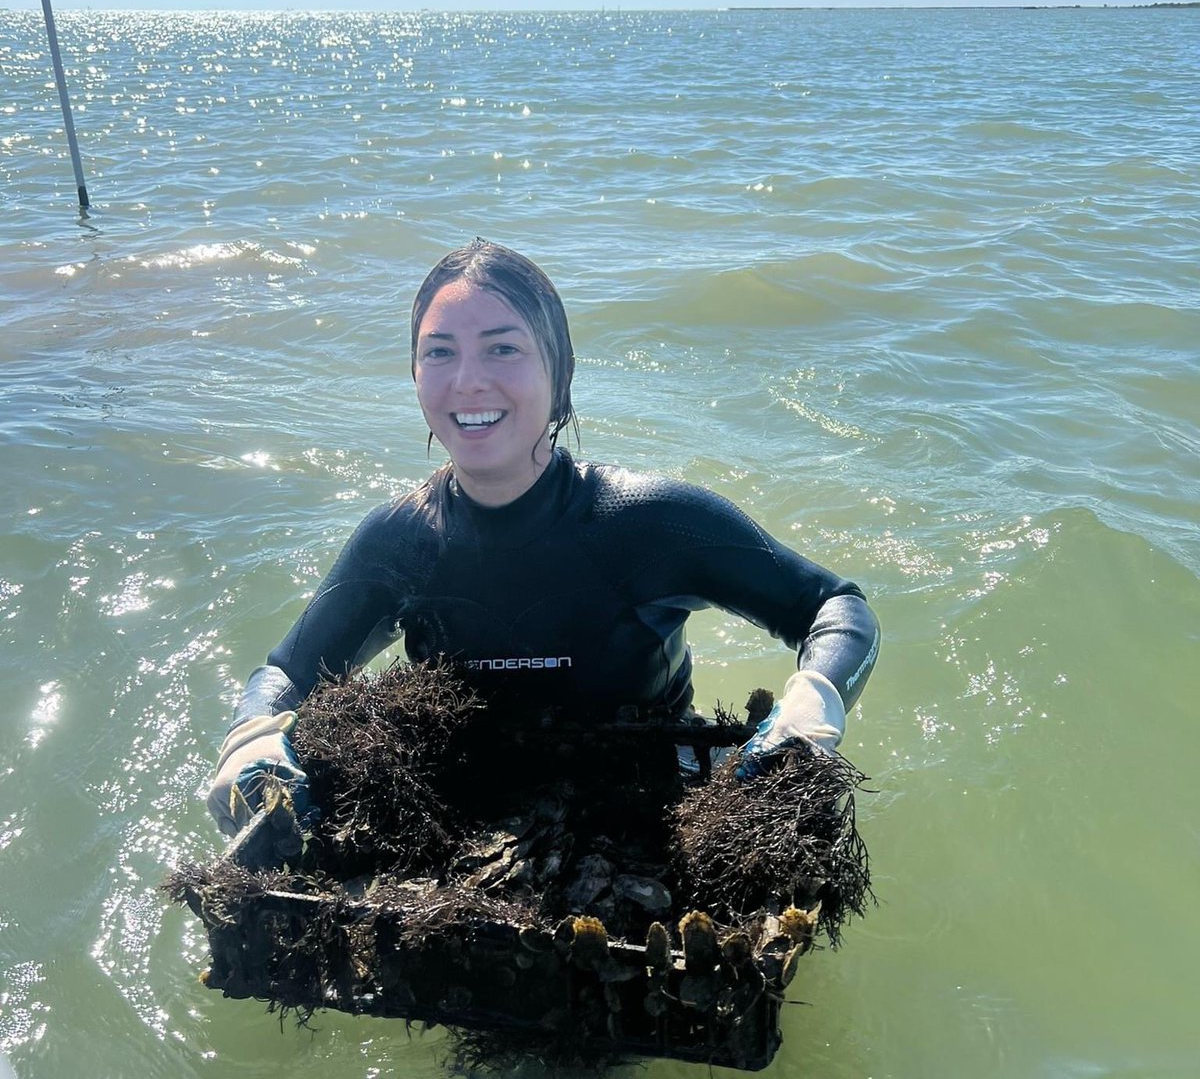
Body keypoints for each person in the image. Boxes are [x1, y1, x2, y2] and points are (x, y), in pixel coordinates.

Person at [207, 240, 880, 836]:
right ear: (415, 376)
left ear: (559, 373)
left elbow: (834, 608)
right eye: (439, 352)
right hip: (462, 814)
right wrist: (252, 737)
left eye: (503, 347)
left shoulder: (648, 522)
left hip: (652, 799)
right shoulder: (401, 542)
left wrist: (814, 699)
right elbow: (289, 673)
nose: (469, 379)